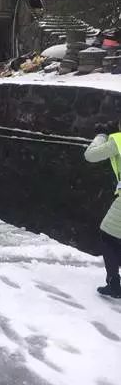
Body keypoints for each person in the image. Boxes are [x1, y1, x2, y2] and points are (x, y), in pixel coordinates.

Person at [84, 121, 121, 298]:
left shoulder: (118, 140)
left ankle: (114, 284)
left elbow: (90, 155)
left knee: (108, 235)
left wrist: (101, 137)